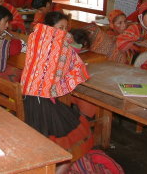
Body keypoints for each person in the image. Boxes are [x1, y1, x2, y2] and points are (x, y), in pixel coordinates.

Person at [20, 20, 93, 173]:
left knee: (66, 138)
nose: (64, 31)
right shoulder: (59, 46)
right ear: (50, 27)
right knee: (75, 138)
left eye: (67, 28)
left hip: (30, 101)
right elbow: (77, 67)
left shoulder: (36, 39)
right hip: (42, 105)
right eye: (60, 28)